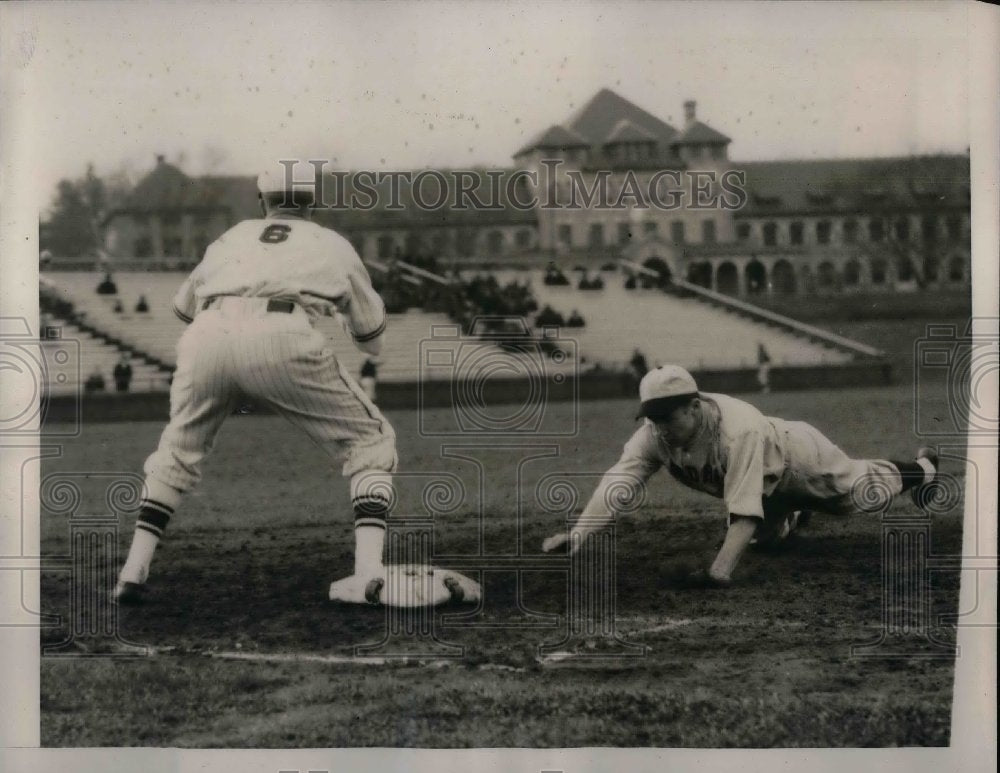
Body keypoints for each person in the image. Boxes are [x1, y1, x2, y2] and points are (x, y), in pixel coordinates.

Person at [113, 163, 423, 607]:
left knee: (177, 453)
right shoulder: (332, 242)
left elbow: (182, 311)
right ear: (311, 204)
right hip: (282, 330)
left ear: (264, 202)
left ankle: (132, 572)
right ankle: (368, 574)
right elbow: (372, 341)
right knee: (372, 444)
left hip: (207, 334)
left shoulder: (232, 236)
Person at [542, 365, 940, 585]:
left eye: (667, 416)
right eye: (652, 417)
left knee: (858, 495)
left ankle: (924, 468)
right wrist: (579, 534)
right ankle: (792, 516)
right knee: (768, 543)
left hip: (799, 459)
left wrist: (720, 571)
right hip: (763, 485)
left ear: (695, 407)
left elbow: (744, 511)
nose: (659, 426)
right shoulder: (653, 436)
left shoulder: (739, 431)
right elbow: (619, 483)